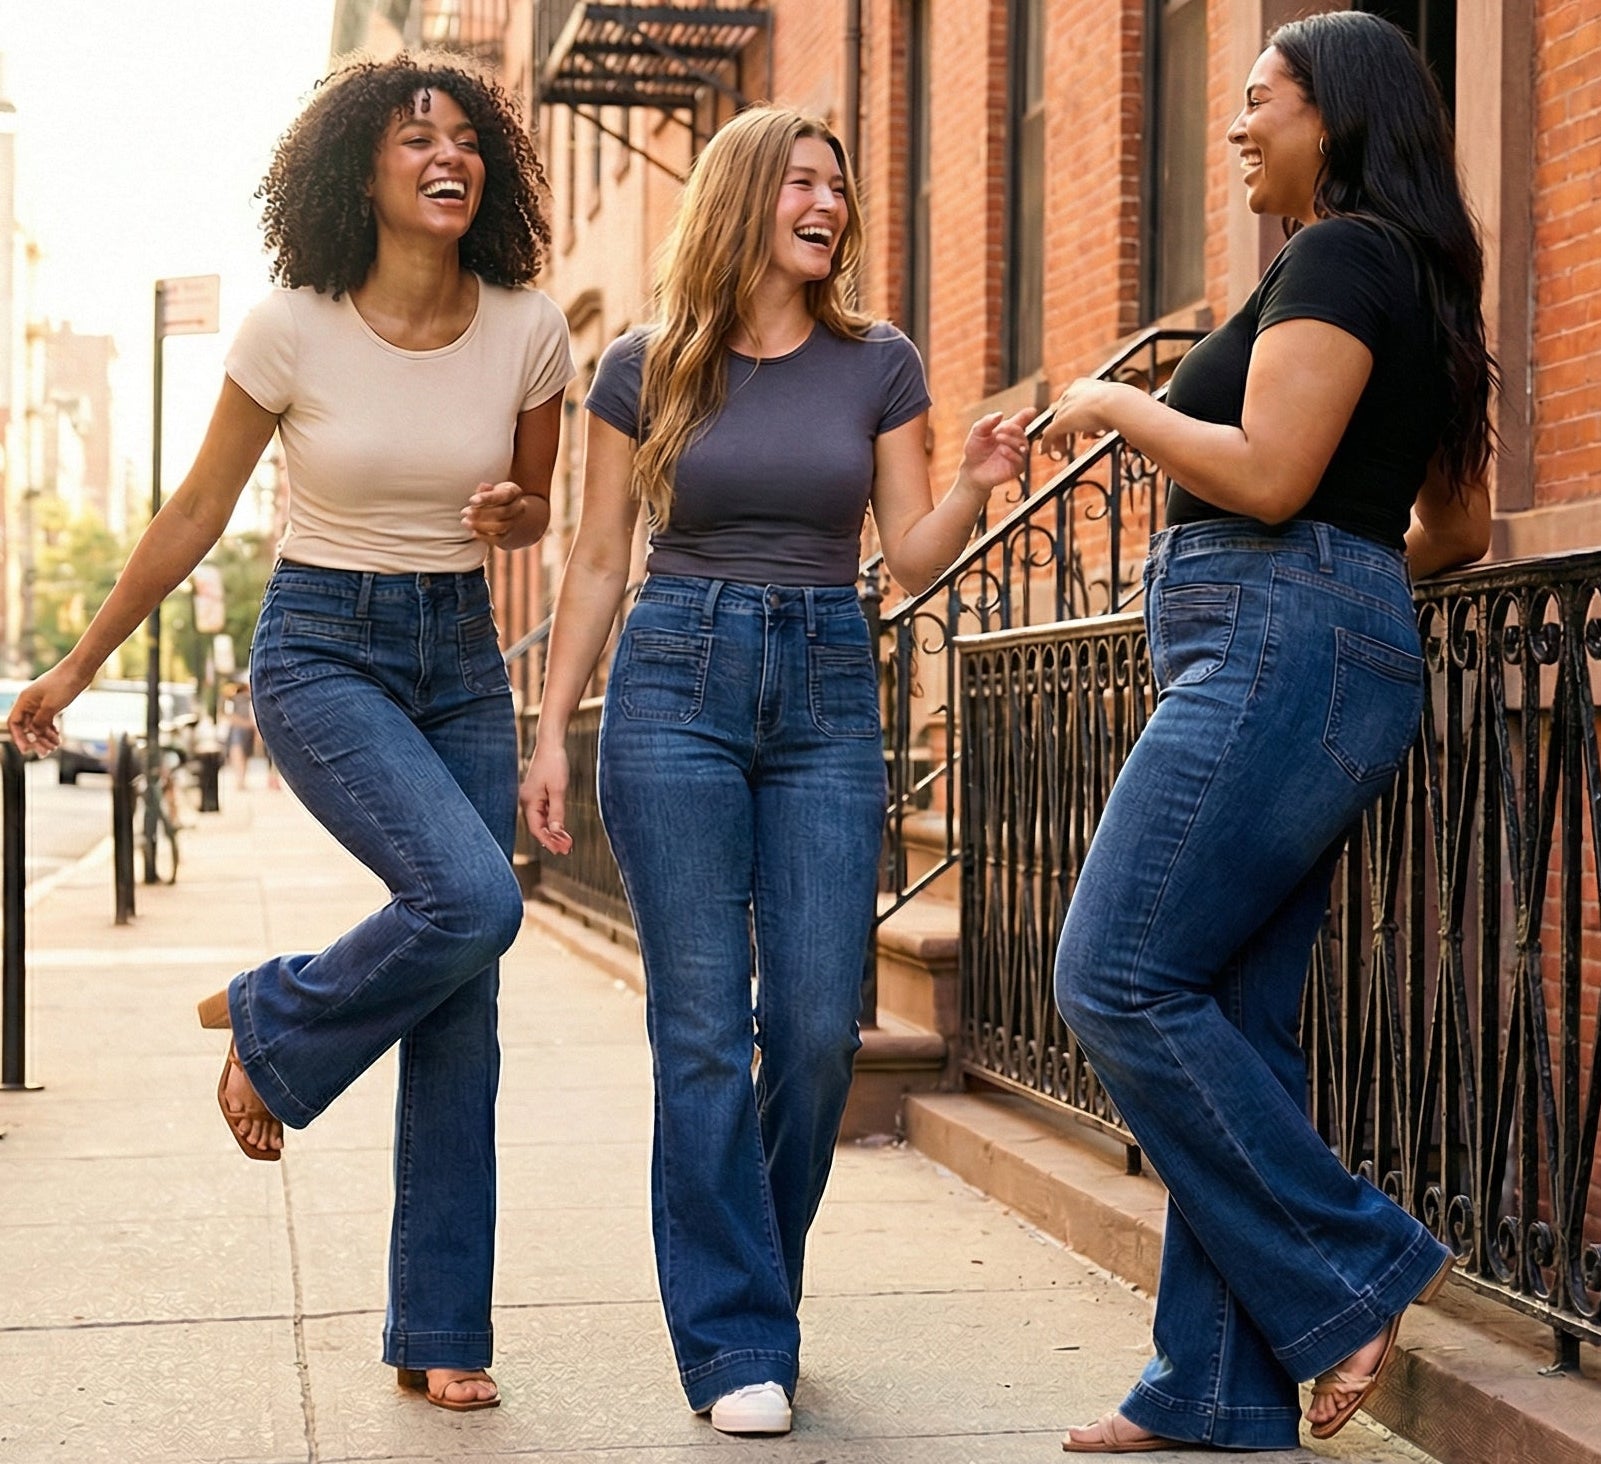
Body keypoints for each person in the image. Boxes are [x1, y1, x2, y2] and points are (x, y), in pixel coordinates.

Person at [7, 51, 572, 1414]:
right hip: (321, 651)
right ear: (358, 173)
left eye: (465, 139)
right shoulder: (291, 328)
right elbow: (195, 512)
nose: (447, 155)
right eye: (411, 136)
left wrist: (512, 520)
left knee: (464, 985)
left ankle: (439, 1323)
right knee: (471, 899)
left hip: (456, 653)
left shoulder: (530, 328)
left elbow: (535, 509)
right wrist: (78, 667)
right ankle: (276, 1020)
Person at [519, 106, 1032, 1437]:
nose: (829, 204)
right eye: (804, 181)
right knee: (698, 1036)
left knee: (811, 1032)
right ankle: (736, 1336)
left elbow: (910, 554)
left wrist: (972, 482)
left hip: (820, 688)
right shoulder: (642, 366)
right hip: (675, 679)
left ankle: (752, 1283)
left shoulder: (878, 362)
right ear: (747, 197)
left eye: (839, 188)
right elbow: (589, 560)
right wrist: (546, 728)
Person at [1038, 11, 1496, 1453]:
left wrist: (1116, 400)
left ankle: (1353, 1263)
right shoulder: (1409, 281)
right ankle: (1216, 1385)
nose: (1234, 125)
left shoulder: (1339, 256)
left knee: (1111, 973)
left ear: (1333, 119)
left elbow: (1267, 469)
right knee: (1226, 1012)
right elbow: (1456, 530)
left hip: (1268, 645)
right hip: (1316, 646)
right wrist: (1352, 592)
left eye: (1257, 99)